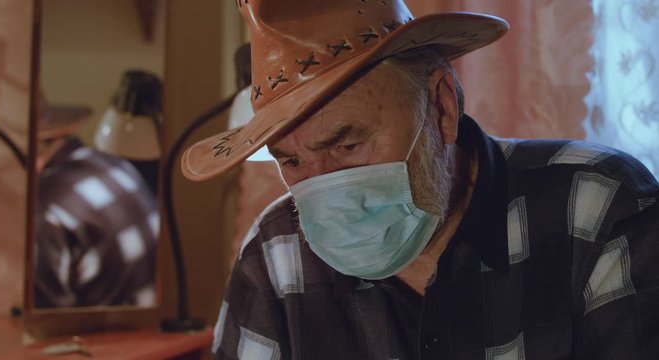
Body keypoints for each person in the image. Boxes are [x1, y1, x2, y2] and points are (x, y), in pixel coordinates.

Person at [181, 1, 659, 358]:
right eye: (292, 163)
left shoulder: (594, 209)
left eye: (347, 146)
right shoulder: (274, 254)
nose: (325, 192)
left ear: (441, 109)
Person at [34, 97, 158, 308]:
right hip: (147, 328)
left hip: (103, 335)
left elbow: (46, 320)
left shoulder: (46, 205)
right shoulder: (112, 163)